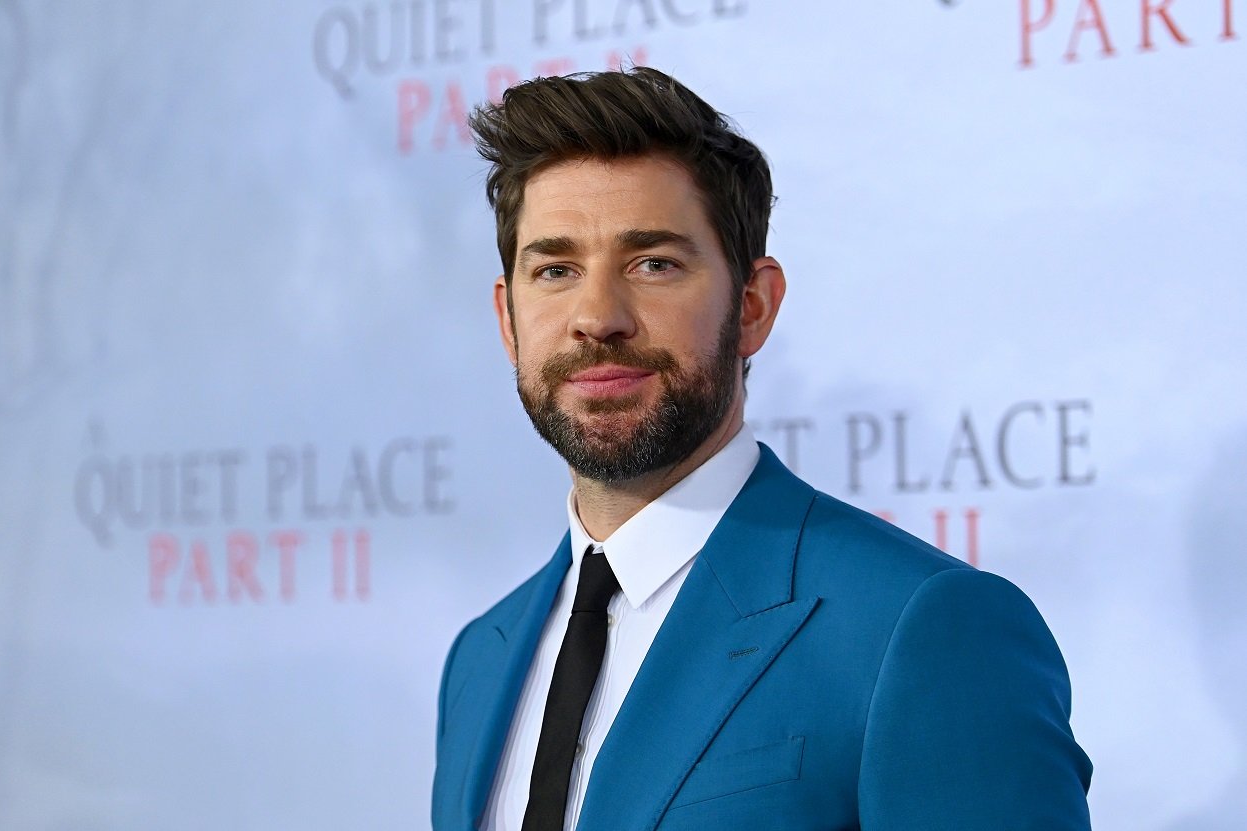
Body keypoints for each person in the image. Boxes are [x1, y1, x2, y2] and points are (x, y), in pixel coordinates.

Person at [432, 67, 1092, 831]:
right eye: (555, 269)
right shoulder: (479, 659)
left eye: (654, 264)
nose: (598, 317)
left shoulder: (923, 630)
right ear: (509, 321)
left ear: (752, 306)